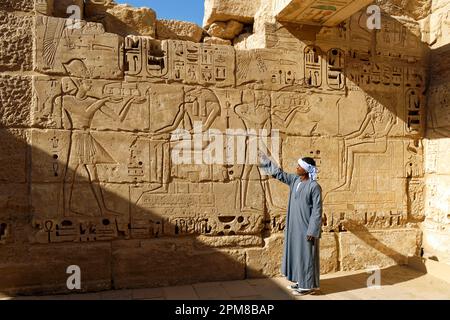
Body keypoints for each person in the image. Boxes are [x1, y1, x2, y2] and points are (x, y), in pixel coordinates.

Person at [259, 152, 323, 295]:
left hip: (307, 229)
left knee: (307, 256)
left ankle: (307, 286)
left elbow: (317, 211)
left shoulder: (314, 187)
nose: (297, 167)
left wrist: (312, 231)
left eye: (299, 166)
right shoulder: (295, 180)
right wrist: (264, 161)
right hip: (295, 227)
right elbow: (279, 174)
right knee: (297, 255)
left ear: (306, 169)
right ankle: (301, 281)